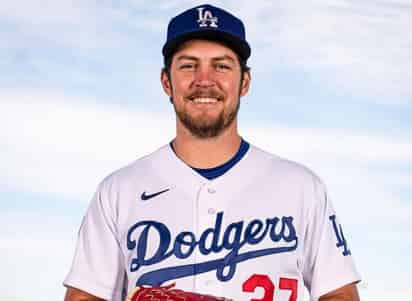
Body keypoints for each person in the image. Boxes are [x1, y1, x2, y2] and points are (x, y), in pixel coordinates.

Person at [63, 4, 361, 301]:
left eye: (221, 66)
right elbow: (85, 296)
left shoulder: (302, 188)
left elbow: (340, 293)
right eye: (188, 65)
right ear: (166, 81)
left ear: (244, 82)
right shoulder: (118, 191)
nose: (204, 80)